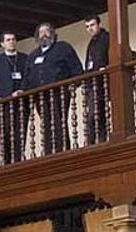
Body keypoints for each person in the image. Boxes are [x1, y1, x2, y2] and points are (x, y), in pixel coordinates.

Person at [25, 22, 83, 155]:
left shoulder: (63, 48)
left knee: (58, 121)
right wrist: (24, 90)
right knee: (46, 123)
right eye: (41, 32)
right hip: (40, 96)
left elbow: (76, 68)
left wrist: (75, 82)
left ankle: (62, 150)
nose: (44, 35)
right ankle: (49, 151)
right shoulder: (33, 55)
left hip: (59, 92)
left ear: (53, 33)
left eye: (47, 31)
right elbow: (27, 77)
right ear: (37, 36)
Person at [0, 31, 31, 166]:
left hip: (21, 103)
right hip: (4, 104)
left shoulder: (25, 58)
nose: (11, 42)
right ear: (2, 44)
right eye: (8, 40)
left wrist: (23, 90)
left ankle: (19, 160)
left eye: (13, 39)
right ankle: (8, 163)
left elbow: (29, 78)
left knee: (21, 133)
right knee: (6, 135)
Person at [83, 16, 110, 145]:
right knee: (94, 115)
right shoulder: (91, 43)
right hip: (92, 83)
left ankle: (95, 142)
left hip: (103, 82)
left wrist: (105, 68)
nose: (90, 29)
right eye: (87, 26)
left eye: (92, 25)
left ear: (99, 24)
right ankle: (94, 142)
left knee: (97, 115)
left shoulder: (106, 38)